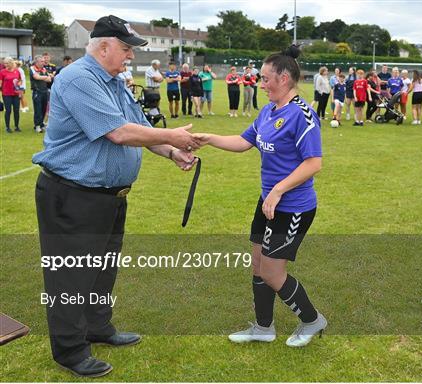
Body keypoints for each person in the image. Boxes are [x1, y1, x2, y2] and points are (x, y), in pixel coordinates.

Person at [31, 15, 200, 378]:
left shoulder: (114, 81)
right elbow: (119, 133)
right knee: (71, 275)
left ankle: (98, 327)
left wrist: (171, 151)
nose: (129, 57)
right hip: (73, 195)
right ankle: (71, 350)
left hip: (107, 197)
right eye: (125, 49)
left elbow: (139, 125)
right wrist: (174, 137)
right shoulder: (78, 78)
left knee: (102, 270)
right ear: (103, 46)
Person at [195, 45, 327, 347]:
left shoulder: (303, 115)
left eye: (265, 78)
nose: (260, 83)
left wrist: (279, 190)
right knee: (258, 264)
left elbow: (314, 163)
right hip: (268, 202)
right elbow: (244, 141)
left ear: (283, 78)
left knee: (271, 271)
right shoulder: (268, 110)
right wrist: (208, 139)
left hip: (292, 206)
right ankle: (263, 327)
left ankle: (312, 319)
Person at [29, 55, 52, 133]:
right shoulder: (32, 68)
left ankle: (41, 124)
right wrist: (45, 77)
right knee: (38, 109)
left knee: (44, 109)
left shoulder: (44, 69)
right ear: (37, 62)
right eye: (41, 61)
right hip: (37, 92)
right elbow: (36, 77)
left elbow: (49, 79)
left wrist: (44, 77)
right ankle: (37, 126)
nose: (44, 62)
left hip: (44, 91)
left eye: (43, 61)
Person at [0, 57, 22, 132]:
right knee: (8, 110)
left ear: (11, 63)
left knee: (16, 110)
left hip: (16, 94)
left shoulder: (17, 71)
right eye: (4, 63)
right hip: (6, 94)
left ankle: (16, 126)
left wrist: (19, 90)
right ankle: (7, 127)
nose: (5, 65)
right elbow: (0, 83)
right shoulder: (2, 72)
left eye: (7, 63)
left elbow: (19, 81)